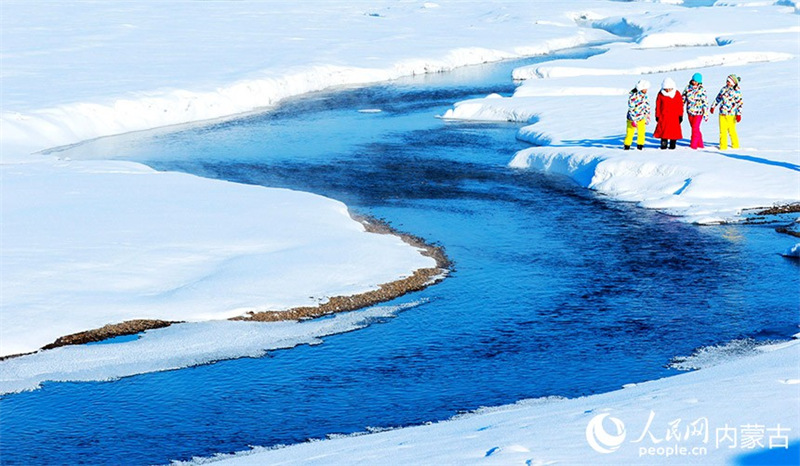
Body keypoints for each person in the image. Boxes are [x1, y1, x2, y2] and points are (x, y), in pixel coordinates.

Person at [710, 74, 743, 150]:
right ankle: (723, 146)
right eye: (727, 81)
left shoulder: (736, 92)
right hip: (722, 113)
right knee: (722, 131)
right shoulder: (723, 89)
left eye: (729, 81)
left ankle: (735, 146)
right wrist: (713, 106)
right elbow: (718, 98)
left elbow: (740, 103)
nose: (727, 83)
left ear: (733, 82)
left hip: (731, 114)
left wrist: (738, 114)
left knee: (732, 131)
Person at [654, 77, 684, 150]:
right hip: (663, 116)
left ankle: (672, 145)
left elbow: (680, 105)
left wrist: (680, 115)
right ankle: (663, 144)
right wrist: (657, 115)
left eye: (669, 88)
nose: (667, 90)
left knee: (673, 132)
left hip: (674, 117)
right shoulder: (660, 94)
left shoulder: (677, 94)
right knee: (663, 131)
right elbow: (658, 105)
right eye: (665, 89)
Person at [682, 72, 708, 149]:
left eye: (696, 81)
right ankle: (700, 144)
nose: (694, 82)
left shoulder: (702, 90)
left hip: (699, 112)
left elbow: (705, 102)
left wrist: (706, 114)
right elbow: (683, 98)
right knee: (695, 128)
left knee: (695, 128)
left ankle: (693, 145)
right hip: (690, 111)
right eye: (693, 80)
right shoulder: (688, 88)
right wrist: (680, 106)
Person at [624, 79, 651, 150]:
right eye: (645, 89)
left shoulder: (645, 96)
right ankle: (627, 146)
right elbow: (631, 108)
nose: (646, 90)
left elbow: (647, 106)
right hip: (632, 119)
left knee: (641, 133)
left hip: (641, 118)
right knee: (630, 133)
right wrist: (633, 119)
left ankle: (640, 146)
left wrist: (647, 115)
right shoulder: (633, 96)